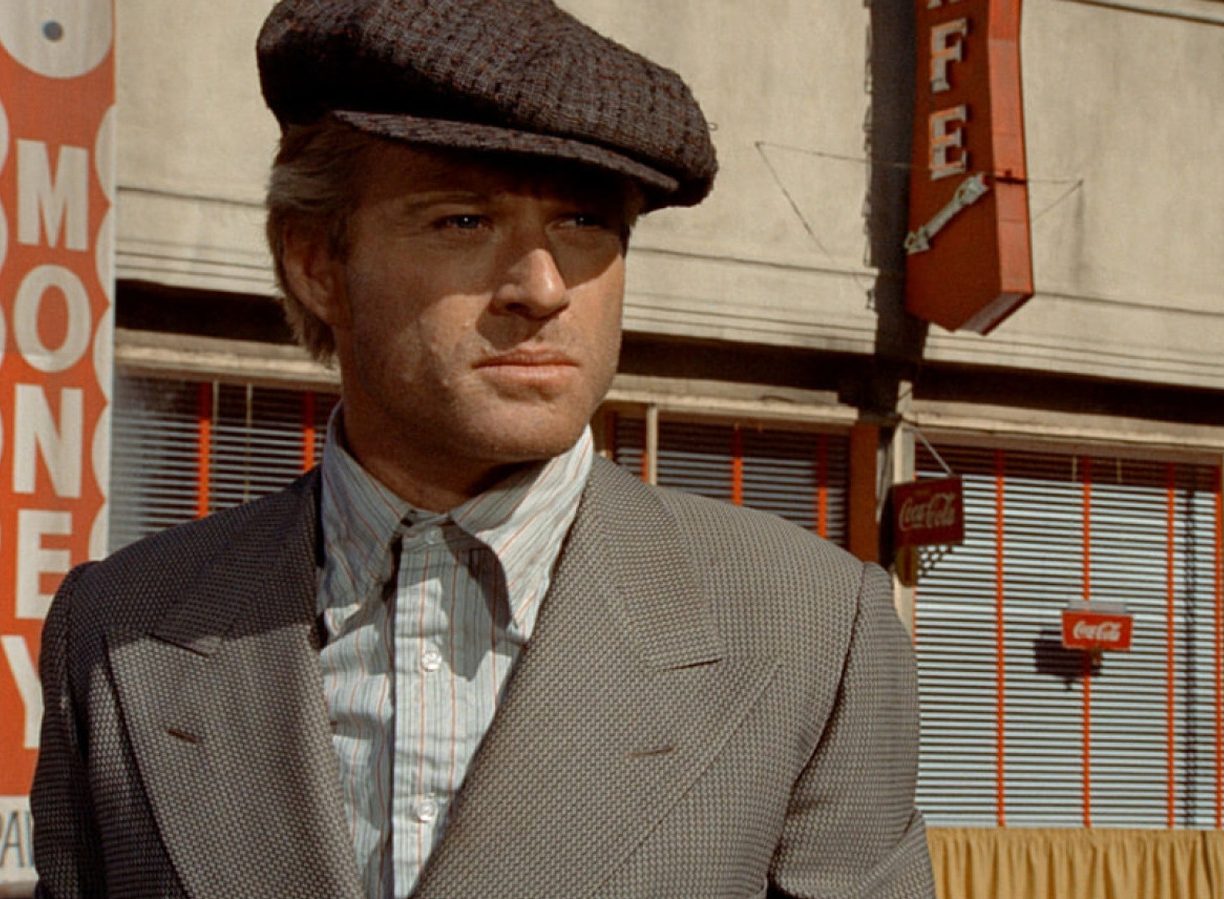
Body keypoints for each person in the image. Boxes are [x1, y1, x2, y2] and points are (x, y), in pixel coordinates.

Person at [30, 0, 935, 896]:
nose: (543, 287)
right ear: (316, 263)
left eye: (585, 224)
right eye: (464, 220)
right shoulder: (118, 630)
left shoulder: (811, 631)